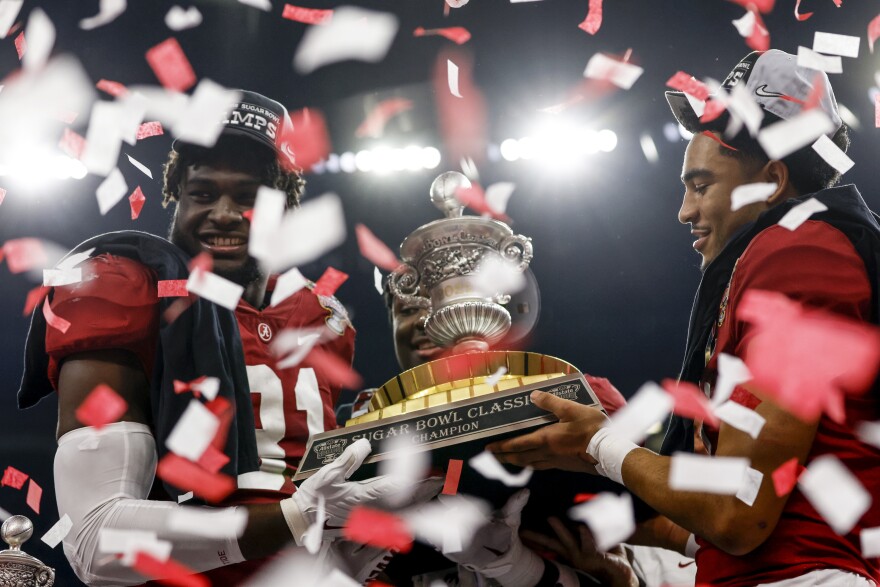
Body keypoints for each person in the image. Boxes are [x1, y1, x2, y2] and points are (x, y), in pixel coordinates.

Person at [486, 49, 880, 585]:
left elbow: (739, 515)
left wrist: (598, 444)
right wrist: (577, 480)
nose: (684, 211)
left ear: (771, 180)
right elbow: (730, 523)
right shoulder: (798, 252)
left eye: (700, 186)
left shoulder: (799, 251)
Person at [18, 90, 436, 586]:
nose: (223, 212)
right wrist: (297, 517)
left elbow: (319, 489)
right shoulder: (123, 288)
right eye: (202, 193)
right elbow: (94, 544)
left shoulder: (322, 318)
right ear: (175, 194)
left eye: (249, 197)